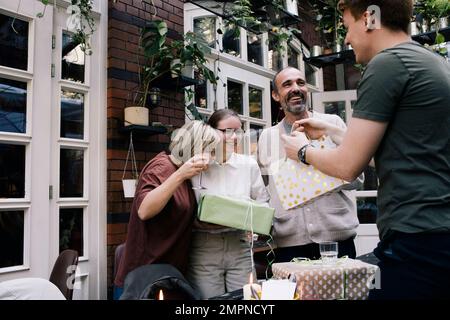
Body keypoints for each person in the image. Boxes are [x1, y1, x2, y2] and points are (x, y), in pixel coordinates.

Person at [282, 0, 450, 299]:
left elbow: (348, 166)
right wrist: (334, 130)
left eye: (346, 26)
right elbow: (398, 155)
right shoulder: (431, 62)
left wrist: (302, 151)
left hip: (417, 236)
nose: (346, 38)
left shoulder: (388, 64)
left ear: (370, 18)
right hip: (436, 234)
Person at [257, 67, 361, 263]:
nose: (296, 88)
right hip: (289, 242)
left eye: (300, 83)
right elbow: (265, 189)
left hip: (336, 238)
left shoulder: (332, 123)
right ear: (275, 95)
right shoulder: (267, 137)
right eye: (287, 84)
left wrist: (314, 161)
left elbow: (357, 178)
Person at [113, 120, 221, 300]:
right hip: (142, 282)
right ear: (194, 147)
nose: (212, 157)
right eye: (210, 151)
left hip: (166, 279)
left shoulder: (187, 176)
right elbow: (144, 210)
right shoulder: (162, 167)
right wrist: (180, 175)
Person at [186, 109, 270, 299]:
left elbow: (263, 202)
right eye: (227, 131)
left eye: (238, 131)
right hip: (204, 247)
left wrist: (254, 223)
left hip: (239, 244)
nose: (234, 137)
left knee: (246, 300)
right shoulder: (196, 165)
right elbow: (186, 208)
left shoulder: (248, 164)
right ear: (211, 131)